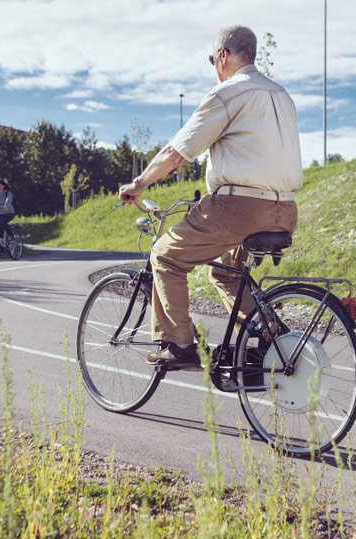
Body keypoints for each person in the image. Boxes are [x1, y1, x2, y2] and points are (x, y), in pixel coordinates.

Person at [118, 25, 303, 368]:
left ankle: (180, 345)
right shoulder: (282, 96)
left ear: (223, 56)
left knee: (165, 257)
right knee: (227, 274)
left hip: (239, 208)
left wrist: (139, 184)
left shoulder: (229, 94)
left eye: (211, 59)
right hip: (287, 210)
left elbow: (177, 152)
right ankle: (271, 335)